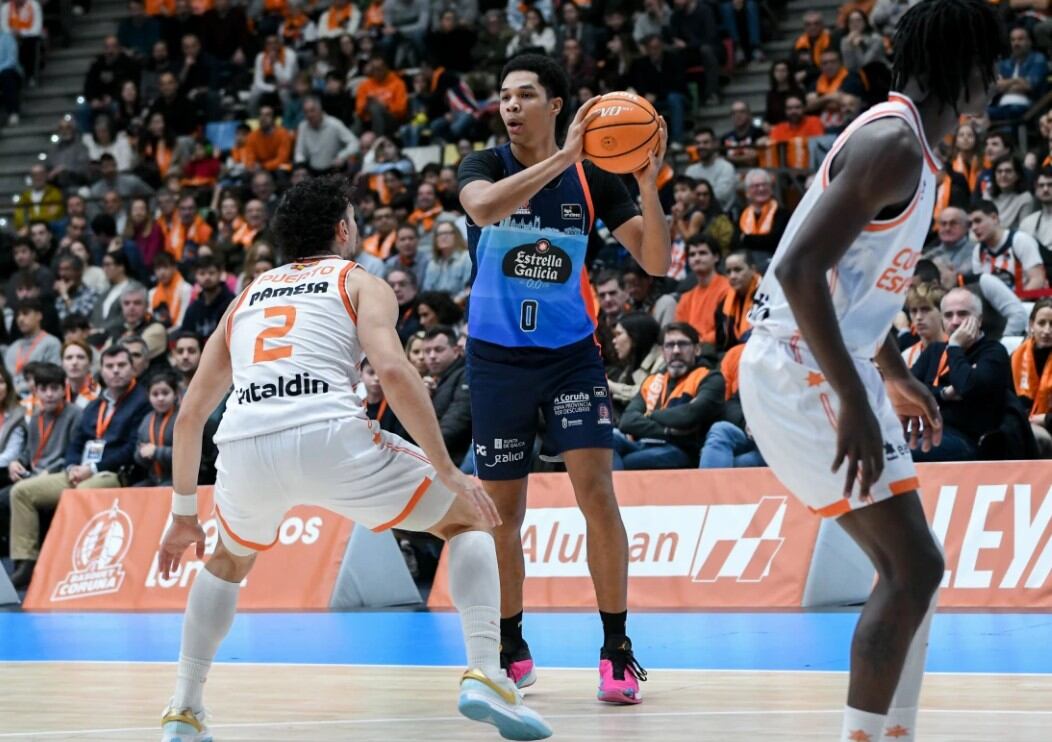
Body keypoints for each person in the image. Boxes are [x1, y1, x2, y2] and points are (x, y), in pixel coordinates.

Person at [157, 176, 551, 742]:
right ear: (343, 230)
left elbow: (190, 415)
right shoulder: (358, 280)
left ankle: (184, 708)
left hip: (244, 445)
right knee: (468, 518)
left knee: (226, 562)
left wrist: (182, 514)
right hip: (330, 433)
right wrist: (446, 469)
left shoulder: (245, 297)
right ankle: (487, 674)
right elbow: (392, 369)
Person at [738, 2, 1001, 740]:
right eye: (990, 63)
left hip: (825, 360)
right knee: (912, 567)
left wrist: (890, 370)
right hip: (802, 364)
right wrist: (854, 395)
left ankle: (891, 732)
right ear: (966, 68)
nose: (997, 78)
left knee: (916, 570)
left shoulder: (906, 144)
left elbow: (850, 282)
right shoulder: (894, 144)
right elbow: (798, 269)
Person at [457, 53, 670, 702]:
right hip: (496, 361)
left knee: (597, 495)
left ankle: (616, 648)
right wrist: (565, 158)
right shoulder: (484, 165)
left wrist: (648, 184)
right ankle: (511, 643)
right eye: (504, 95)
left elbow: (655, 260)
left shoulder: (594, 177)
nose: (510, 105)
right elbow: (483, 210)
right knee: (504, 515)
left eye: (525, 95)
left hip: (571, 358)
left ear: (556, 106)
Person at [8, 345, 150, 589]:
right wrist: (73, 465)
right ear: (101, 371)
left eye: (121, 365)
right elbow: (77, 441)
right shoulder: (96, 404)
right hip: (79, 470)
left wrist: (92, 469)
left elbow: (130, 449)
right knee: (21, 492)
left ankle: (67, 565)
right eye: (110, 366)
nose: (115, 371)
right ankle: (26, 563)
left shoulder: (142, 401)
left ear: (133, 368)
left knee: (81, 493)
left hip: (114, 473)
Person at [910, 288, 1012, 462]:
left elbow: (967, 387)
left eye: (963, 314)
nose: (955, 322)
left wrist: (955, 346)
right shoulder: (934, 350)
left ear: (979, 320)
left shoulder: (993, 351)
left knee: (905, 455)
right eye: (948, 315)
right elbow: (909, 390)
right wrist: (944, 393)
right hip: (927, 432)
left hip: (968, 440)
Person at [3, 363, 80, 587]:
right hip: (34, 475)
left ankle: (27, 563)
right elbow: (29, 451)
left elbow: (74, 453)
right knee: (3, 498)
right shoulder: (36, 416)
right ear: (35, 391)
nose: (49, 394)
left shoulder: (75, 414)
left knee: (17, 494)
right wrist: (18, 462)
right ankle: (18, 561)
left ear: (64, 389)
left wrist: (51, 471)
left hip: (61, 474)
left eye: (54, 388)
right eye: (43, 389)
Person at [613, 321, 724, 470]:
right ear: (663, 352)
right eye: (670, 345)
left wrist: (648, 415)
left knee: (628, 461)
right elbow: (627, 421)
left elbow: (688, 416)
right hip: (644, 444)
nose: (676, 351)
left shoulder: (710, 378)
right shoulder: (652, 380)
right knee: (606, 440)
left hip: (682, 450)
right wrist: (667, 431)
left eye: (683, 344)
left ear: (697, 349)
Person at [970, 200, 1048, 292]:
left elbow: (1038, 280)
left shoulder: (1020, 240)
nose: (974, 228)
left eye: (978, 221)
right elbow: (980, 286)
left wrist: (1012, 300)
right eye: (970, 224)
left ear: (994, 218)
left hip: (1029, 299)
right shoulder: (978, 250)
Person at [421, 325, 472, 465]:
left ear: (455, 351)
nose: (432, 356)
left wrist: (423, 450)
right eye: (427, 351)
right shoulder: (432, 381)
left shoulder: (466, 374)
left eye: (438, 350)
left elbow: (458, 419)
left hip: (454, 459)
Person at [606, 311, 663, 421]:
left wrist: (610, 386)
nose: (614, 341)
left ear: (636, 336)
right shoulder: (634, 362)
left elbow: (649, 395)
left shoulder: (662, 360)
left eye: (618, 334)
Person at [675, 236, 731, 345]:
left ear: (716, 257)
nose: (697, 258)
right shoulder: (686, 298)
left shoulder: (728, 289)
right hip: (690, 347)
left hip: (715, 347)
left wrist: (699, 342)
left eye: (702, 253)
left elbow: (727, 329)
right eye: (692, 254)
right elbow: (679, 331)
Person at [5, 298, 61, 397]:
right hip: (12, 400)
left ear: (39, 316)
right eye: (18, 315)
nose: (20, 319)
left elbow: (54, 377)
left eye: (25, 313)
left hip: (42, 397)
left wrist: (19, 389)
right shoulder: (11, 348)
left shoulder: (52, 343)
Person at [134, 370, 179, 485]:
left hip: (180, 479)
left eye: (165, 393)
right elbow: (137, 453)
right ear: (148, 396)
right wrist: (142, 454)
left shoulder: (182, 419)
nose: (160, 398)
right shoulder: (147, 419)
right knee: (133, 491)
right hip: (155, 478)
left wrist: (156, 451)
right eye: (155, 394)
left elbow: (186, 455)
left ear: (175, 394)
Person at [180, 256, 236, 339]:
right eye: (202, 273)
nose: (207, 277)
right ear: (196, 276)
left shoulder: (232, 302)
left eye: (211, 273)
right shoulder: (193, 308)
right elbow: (185, 334)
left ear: (220, 273)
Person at [716, 250, 759, 351]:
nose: (732, 276)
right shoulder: (723, 305)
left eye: (738, 270)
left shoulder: (766, 297)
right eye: (728, 272)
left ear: (753, 270)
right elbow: (721, 344)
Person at [901, 283, 946, 369]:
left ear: (942, 312)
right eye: (914, 311)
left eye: (925, 309)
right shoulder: (906, 357)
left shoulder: (957, 349)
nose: (918, 317)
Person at [923, 206, 974, 275]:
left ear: (966, 226)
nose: (947, 228)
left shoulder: (976, 252)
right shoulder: (930, 254)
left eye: (953, 223)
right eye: (943, 224)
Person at [1019, 166, 1052, 248]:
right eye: (1041, 185)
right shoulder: (1027, 223)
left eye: (1050, 185)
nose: (1045, 189)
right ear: (1035, 189)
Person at [61, 338, 99, 407]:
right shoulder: (56, 392)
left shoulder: (99, 394)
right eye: (69, 357)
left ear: (90, 363)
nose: (74, 362)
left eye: (80, 357)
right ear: (62, 363)